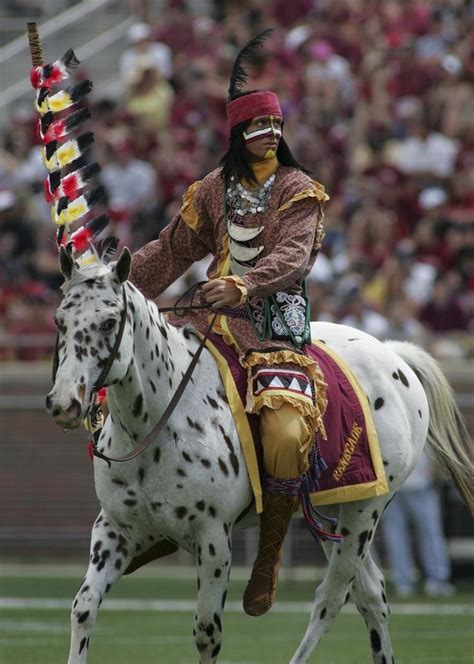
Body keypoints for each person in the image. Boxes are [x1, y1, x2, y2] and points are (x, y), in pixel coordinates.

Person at [129, 31, 328, 617]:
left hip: (273, 330)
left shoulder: (300, 190)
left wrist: (243, 282)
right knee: (133, 380)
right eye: (257, 130)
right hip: (207, 324)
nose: (268, 138)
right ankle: (145, 519)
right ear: (237, 137)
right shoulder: (210, 191)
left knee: (287, 434)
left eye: (275, 128)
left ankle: (267, 555)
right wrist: (112, 280)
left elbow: (294, 256)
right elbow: (169, 252)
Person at [381, 450, 454, 597]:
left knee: (397, 535)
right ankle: (436, 579)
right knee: (429, 533)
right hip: (417, 482)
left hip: (395, 482)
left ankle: (404, 581)